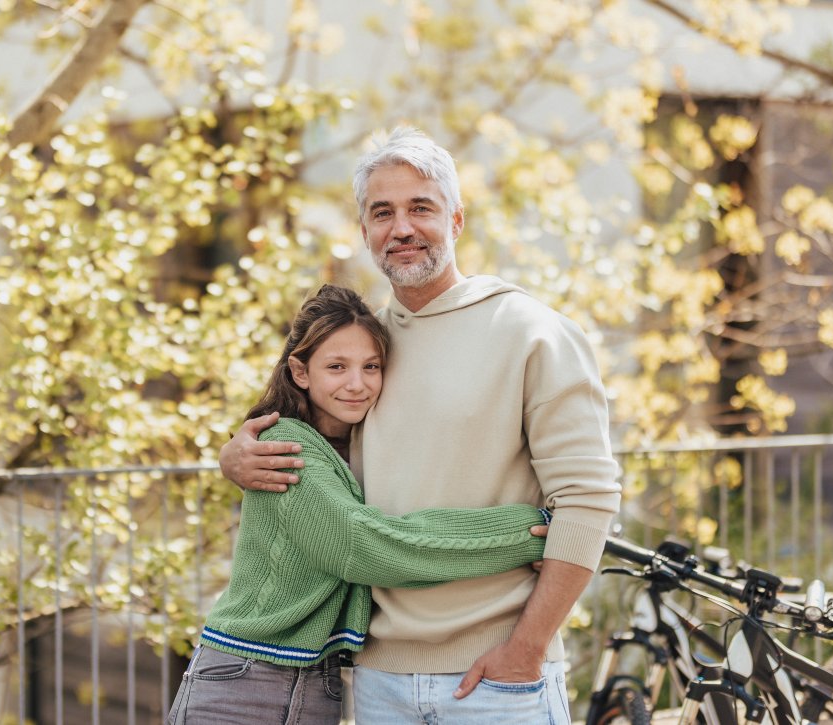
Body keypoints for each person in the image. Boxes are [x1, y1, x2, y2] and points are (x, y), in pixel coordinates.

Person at [219, 127, 622, 723]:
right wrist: (233, 458)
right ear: (364, 233)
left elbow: (588, 501)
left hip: (497, 678)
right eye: (382, 213)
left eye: (420, 208)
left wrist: (527, 649)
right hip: (379, 680)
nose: (401, 228)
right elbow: (301, 440)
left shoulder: (531, 332)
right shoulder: (360, 348)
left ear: (456, 221)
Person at [168, 284, 553, 724]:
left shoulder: (364, 447)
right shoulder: (285, 445)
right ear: (300, 371)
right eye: (336, 366)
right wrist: (528, 533)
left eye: (371, 366)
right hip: (245, 680)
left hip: (321, 682)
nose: (357, 384)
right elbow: (366, 547)